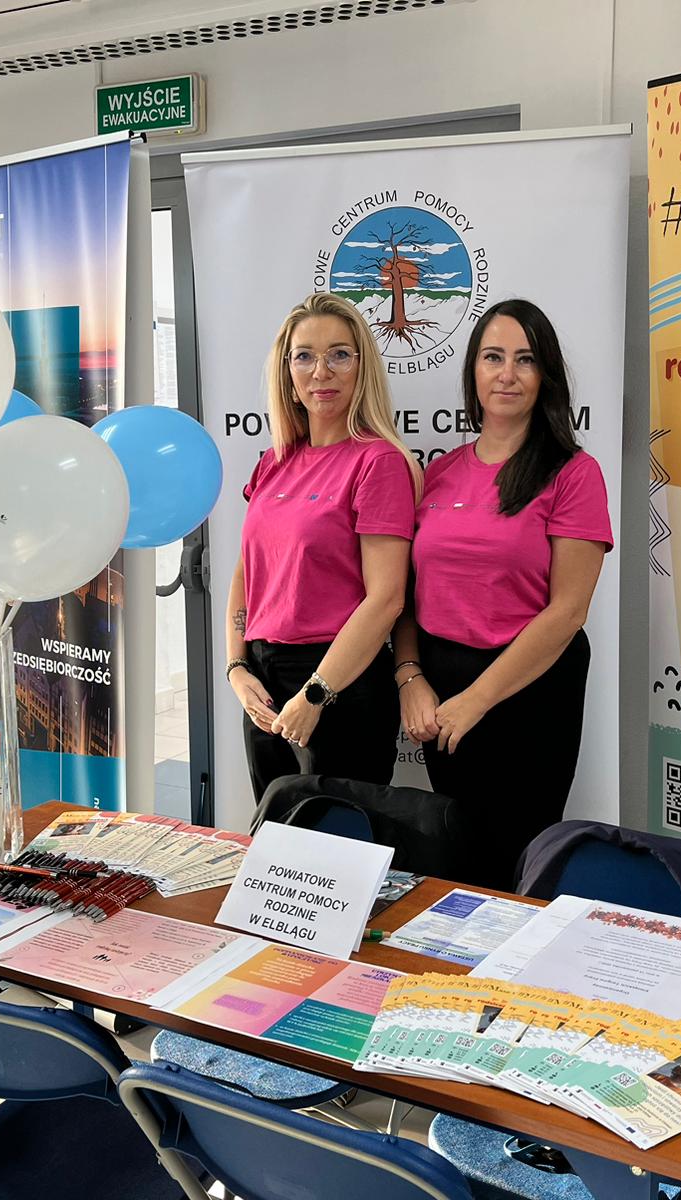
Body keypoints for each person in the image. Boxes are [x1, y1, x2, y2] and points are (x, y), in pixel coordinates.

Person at [394, 299, 612, 891]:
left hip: (529, 689)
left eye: (525, 359)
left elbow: (568, 611)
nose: (507, 374)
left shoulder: (573, 473)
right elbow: (405, 593)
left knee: (517, 864)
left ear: (546, 376)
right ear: (473, 371)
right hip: (442, 682)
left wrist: (477, 700)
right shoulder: (439, 473)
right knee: (457, 856)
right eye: (493, 357)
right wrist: (410, 677)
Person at [226, 292, 422, 805]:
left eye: (339, 354)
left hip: (340, 682)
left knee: (339, 845)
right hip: (264, 680)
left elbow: (387, 598)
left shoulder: (378, 463)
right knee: (275, 841)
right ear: (287, 371)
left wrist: (315, 694)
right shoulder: (275, 461)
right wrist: (237, 668)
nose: (321, 372)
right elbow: (246, 574)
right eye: (305, 356)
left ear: (362, 367)